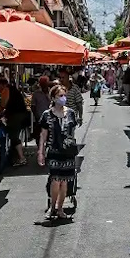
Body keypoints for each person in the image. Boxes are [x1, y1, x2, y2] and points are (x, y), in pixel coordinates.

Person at [37, 84, 79, 221]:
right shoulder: (46, 115)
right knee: (55, 180)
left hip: (68, 152)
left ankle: (60, 208)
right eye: (60, 96)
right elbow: (43, 135)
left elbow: (72, 132)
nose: (63, 98)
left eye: (64, 95)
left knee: (64, 181)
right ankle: (52, 207)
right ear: (53, 98)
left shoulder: (71, 113)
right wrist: (41, 152)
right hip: (54, 151)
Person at [0, 77, 30, 166]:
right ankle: (15, 157)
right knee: (14, 136)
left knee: (14, 136)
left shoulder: (6, 89)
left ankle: (22, 158)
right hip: (19, 114)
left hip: (16, 115)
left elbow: (3, 104)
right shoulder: (12, 89)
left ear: (3, 84)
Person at [30, 76, 51, 140]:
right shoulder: (36, 94)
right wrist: (36, 115)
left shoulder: (51, 92)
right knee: (39, 136)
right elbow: (33, 106)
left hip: (50, 118)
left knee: (49, 136)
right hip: (39, 118)